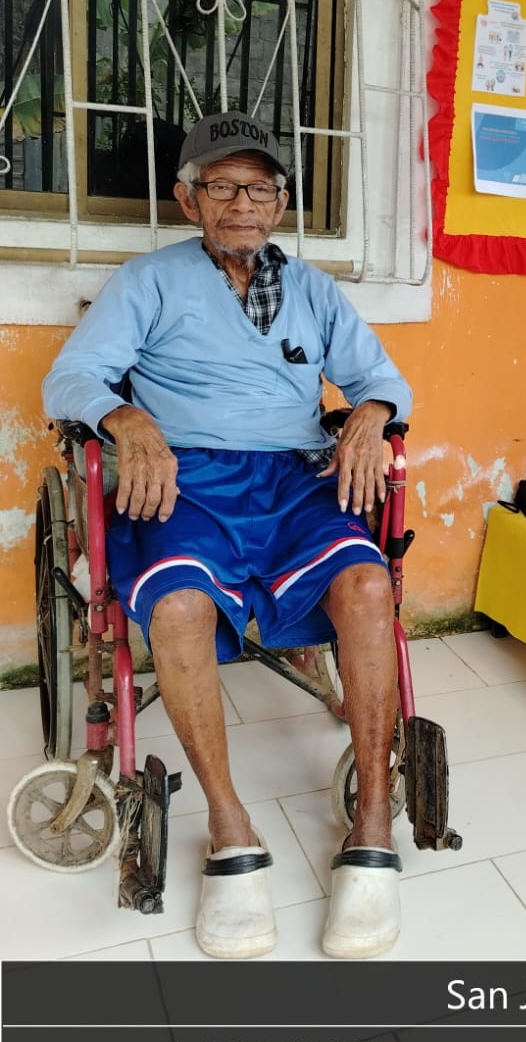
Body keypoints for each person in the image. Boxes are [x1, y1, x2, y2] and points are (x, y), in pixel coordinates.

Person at [44, 111, 413, 961]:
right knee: (177, 608)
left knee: (366, 585)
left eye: (259, 188)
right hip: (186, 477)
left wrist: (370, 413)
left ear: (281, 204)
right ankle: (229, 824)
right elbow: (72, 377)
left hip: (293, 476)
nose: (241, 203)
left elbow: (381, 376)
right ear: (188, 200)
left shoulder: (315, 290)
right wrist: (126, 416)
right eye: (220, 186)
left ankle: (371, 819)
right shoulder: (148, 281)